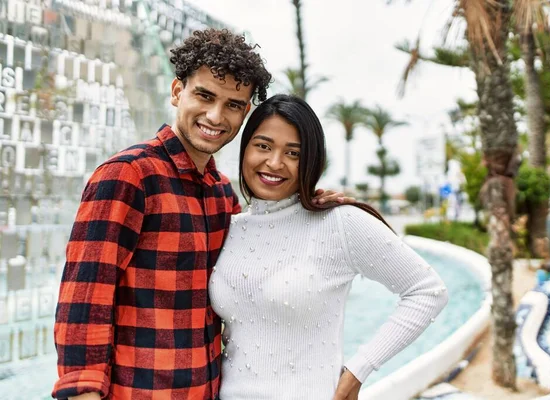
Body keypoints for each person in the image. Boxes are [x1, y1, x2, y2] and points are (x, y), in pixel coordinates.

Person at [52, 29, 346, 400]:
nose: (215, 115)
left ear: (245, 113)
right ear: (178, 91)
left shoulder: (224, 196)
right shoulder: (128, 176)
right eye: (204, 95)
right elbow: (84, 302)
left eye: (234, 104)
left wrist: (308, 202)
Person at [209, 94, 449, 400]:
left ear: (311, 160)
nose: (274, 162)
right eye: (263, 146)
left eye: (293, 153)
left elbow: (428, 290)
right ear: (245, 150)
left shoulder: (339, 222)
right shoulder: (230, 228)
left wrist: (359, 370)